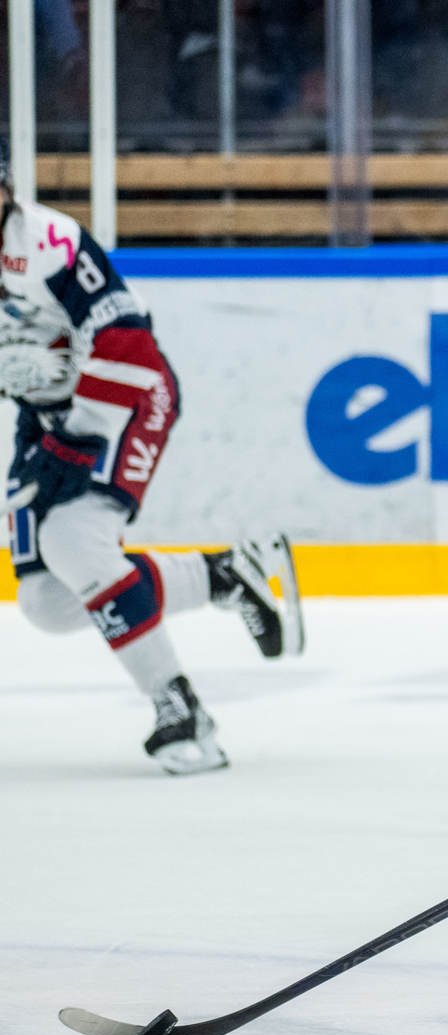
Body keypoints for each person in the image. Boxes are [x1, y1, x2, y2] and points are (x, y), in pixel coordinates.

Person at [2, 143, 304, 775]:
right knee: (47, 603)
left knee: (74, 540)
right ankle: (223, 574)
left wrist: (77, 437)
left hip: (127, 397)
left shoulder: (49, 242)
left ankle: (183, 711)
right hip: (47, 416)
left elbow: (129, 344)